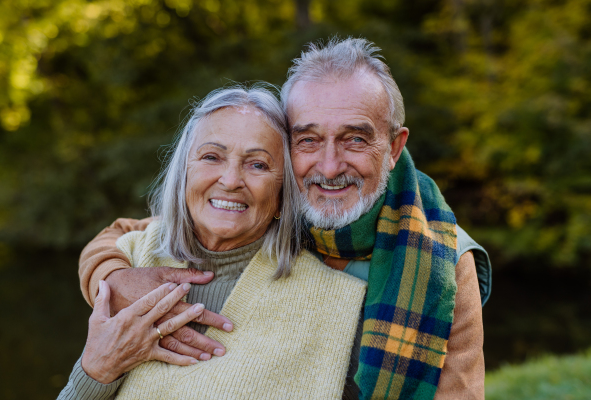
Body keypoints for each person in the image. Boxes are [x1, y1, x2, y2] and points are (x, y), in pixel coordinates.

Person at [73, 38, 492, 399]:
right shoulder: (263, 211)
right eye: (308, 139)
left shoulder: (442, 259)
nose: (329, 167)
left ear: (394, 146)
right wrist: (113, 281)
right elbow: (128, 232)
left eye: (355, 139)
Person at [59, 86, 368, 399]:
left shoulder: (338, 306)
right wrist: (97, 371)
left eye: (258, 164)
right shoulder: (133, 257)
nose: (231, 180)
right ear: (184, 175)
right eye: (211, 157)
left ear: (281, 196)